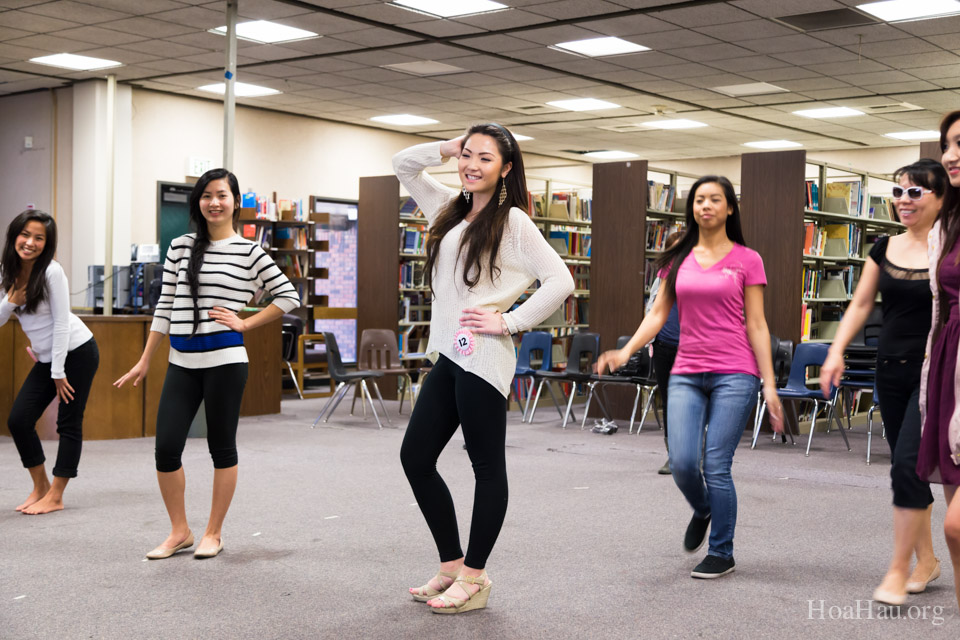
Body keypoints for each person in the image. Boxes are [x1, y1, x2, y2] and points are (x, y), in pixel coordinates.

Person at [393, 124, 574, 613]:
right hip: (449, 356)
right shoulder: (450, 208)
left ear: (507, 168)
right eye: (467, 155)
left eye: (485, 158)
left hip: (484, 358)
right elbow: (403, 165)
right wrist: (447, 148)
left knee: (486, 467)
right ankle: (451, 565)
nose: (471, 165)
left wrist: (511, 321)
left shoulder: (513, 222)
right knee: (416, 458)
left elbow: (561, 280)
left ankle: (474, 577)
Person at [597, 176, 784, 579]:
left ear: (730, 208)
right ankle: (703, 509)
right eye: (699, 200)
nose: (706, 206)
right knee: (682, 462)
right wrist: (626, 350)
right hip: (686, 370)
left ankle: (722, 551)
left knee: (716, 463)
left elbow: (757, 325)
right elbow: (658, 313)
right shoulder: (676, 258)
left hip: (736, 371)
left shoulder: (747, 259)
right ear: (692, 208)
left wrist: (769, 384)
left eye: (715, 199)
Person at [114, 169, 299, 559]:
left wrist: (245, 322)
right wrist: (146, 358)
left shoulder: (249, 251)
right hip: (181, 362)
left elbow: (288, 296)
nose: (214, 202)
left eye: (222, 195)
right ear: (198, 202)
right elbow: (165, 305)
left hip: (226, 362)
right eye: (206, 196)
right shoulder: (180, 246)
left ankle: (213, 532)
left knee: (221, 447)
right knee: (166, 447)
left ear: (235, 202)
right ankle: (179, 531)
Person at [821, 159, 945, 606]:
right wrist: (835, 352)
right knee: (909, 467)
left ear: (941, 197)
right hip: (888, 371)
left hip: (932, 372)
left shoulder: (948, 252)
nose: (903, 200)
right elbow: (859, 304)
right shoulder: (882, 247)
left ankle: (897, 570)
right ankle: (927, 559)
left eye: (915, 192)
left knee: (906, 465)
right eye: (898, 192)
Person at [1, 210, 99, 515]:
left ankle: (56, 496)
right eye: (25, 235)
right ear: (14, 235)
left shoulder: (52, 272)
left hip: (77, 351)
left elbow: (59, 324)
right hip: (48, 357)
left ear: (47, 243)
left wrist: (58, 371)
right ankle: (40, 486)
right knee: (18, 420)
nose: (30, 242)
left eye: (39, 238)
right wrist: (11, 301)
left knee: (68, 422)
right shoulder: (6, 270)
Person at [918, 109, 960, 611]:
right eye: (947, 144)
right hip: (949, 366)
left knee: (955, 524)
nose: (950, 154)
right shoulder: (946, 221)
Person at [646, 231, 683, 474]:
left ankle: (697, 453)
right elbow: (652, 308)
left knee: (694, 401)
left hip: (692, 348)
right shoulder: (662, 277)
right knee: (670, 401)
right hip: (664, 346)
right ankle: (673, 455)